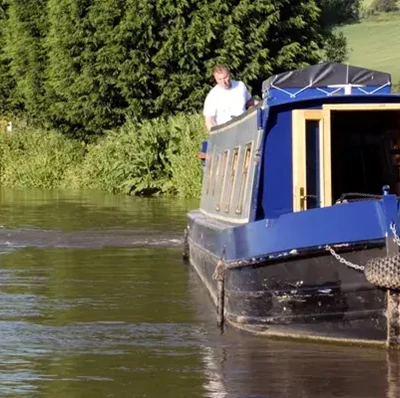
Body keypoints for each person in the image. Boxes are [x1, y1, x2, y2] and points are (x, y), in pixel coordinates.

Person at [203, 64, 255, 131]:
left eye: (225, 77)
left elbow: (250, 101)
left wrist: (250, 115)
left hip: (245, 126)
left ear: (229, 75)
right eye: (220, 79)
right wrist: (216, 134)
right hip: (226, 131)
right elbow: (209, 121)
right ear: (215, 79)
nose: (223, 82)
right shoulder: (212, 96)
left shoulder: (240, 85)